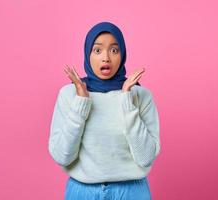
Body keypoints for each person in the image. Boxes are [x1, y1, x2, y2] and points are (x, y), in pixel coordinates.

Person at [48, 21, 161, 200]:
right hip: (82, 192)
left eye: (114, 50)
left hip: (132, 192)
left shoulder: (140, 95)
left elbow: (146, 158)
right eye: (98, 50)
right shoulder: (70, 94)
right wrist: (81, 103)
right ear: (88, 53)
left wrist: (126, 99)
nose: (106, 58)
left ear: (122, 53)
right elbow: (62, 156)